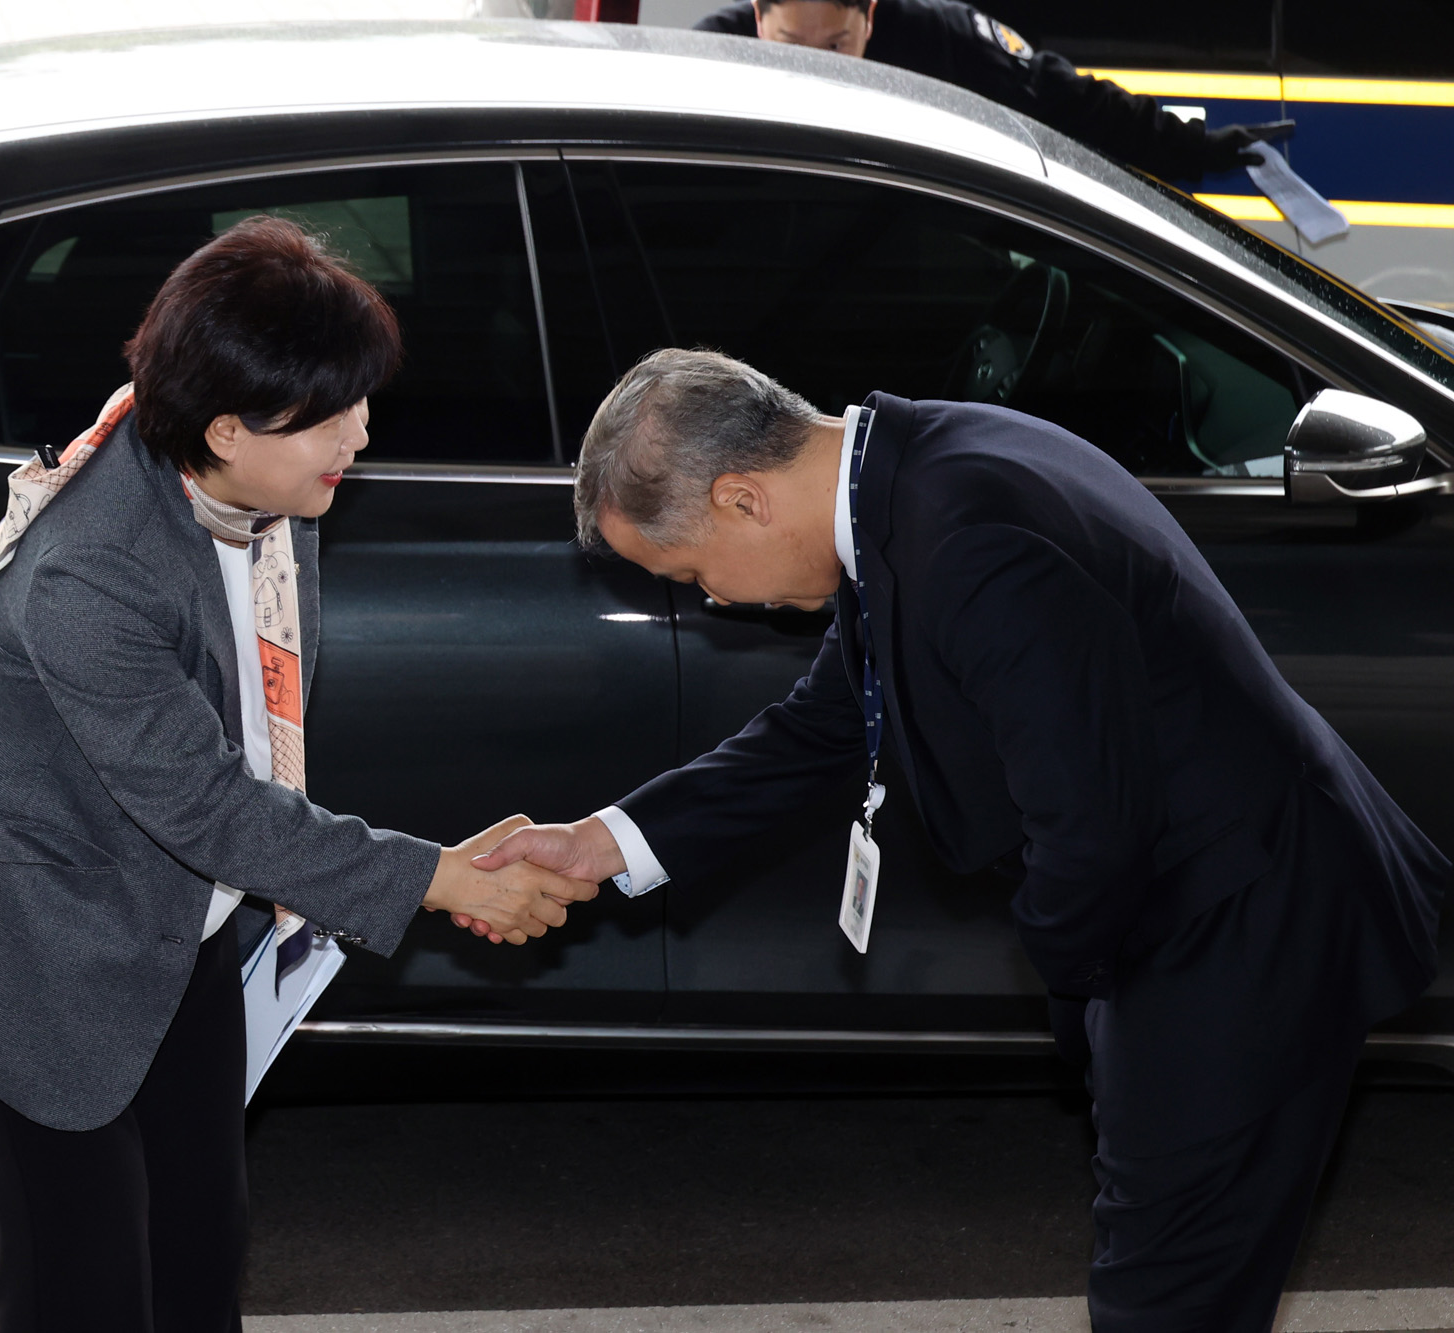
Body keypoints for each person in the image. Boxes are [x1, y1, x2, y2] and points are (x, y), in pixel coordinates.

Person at [462, 348, 1447, 1331]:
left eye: (688, 572)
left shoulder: (970, 540)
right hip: (1198, 906)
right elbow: (829, 720)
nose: (712, 599)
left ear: (741, 501)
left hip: (1235, 926)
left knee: (1168, 1295)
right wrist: (603, 843)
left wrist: (1075, 982)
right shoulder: (910, 473)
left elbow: (1088, 827)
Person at [0, 216, 597, 1333]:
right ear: (224, 426)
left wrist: (431, 864)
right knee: (84, 1292)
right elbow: (199, 801)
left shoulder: (259, 490)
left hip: (173, 921)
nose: (357, 431)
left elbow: (252, 731)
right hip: (28, 943)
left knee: (199, 1256)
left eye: (357, 399)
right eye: (329, 413)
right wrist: (435, 879)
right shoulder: (95, 568)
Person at [692, 0, 1291, 180]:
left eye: (836, 47)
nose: (813, 71)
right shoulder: (705, 61)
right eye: (791, 45)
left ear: (870, 17)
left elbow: (1071, 104)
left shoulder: (944, 40)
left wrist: (1194, 148)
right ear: (757, 16)